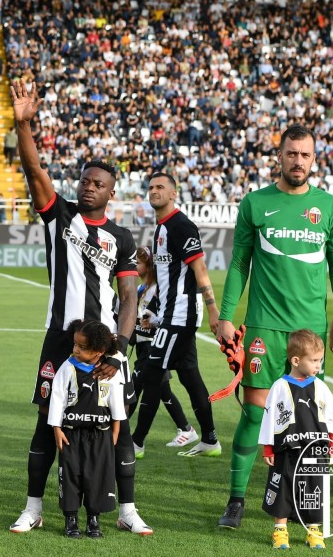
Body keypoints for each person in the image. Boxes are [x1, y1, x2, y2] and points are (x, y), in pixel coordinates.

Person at [9, 80, 151, 536]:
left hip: (108, 343)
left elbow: (129, 297)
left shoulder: (122, 238)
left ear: (112, 193)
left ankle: (126, 509)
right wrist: (22, 124)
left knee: (119, 425)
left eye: (99, 184)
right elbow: (34, 172)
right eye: (86, 181)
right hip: (60, 337)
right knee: (48, 420)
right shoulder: (60, 215)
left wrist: (120, 349)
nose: (89, 188)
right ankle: (33, 507)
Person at [217, 124, 333, 529]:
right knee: (256, 415)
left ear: (314, 158)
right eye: (291, 153)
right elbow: (239, 262)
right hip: (264, 327)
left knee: (308, 423)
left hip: (308, 334)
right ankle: (236, 501)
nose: (298, 161)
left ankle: (302, 500)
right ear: (279, 155)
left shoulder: (327, 207)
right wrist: (226, 314)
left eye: (305, 155)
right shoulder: (256, 204)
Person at [131, 172, 221, 459]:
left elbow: (200, 269)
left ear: (173, 194)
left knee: (151, 373)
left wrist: (212, 309)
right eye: (151, 187)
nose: (154, 191)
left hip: (181, 316)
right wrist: (153, 313)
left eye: (160, 187)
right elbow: (168, 281)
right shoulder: (160, 229)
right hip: (170, 315)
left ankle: (136, 443)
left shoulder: (181, 225)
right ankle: (209, 439)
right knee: (190, 378)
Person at [259, 330, 333, 549]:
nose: (318, 365)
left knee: (314, 488)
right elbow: (270, 418)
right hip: (287, 449)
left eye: (320, 360)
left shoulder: (320, 386)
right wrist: (269, 447)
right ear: (296, 360)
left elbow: (331, 414)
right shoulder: (279, 386)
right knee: (283, 487)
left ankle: (313, 530)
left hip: (315, 450)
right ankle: (280, 530)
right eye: (314, 360)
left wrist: (332, 441)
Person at [49, 319, 126, 539]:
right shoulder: (67, 367)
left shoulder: (109, 371)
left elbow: (116, 401)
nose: (75, 349)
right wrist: (57, 428)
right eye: (75, 345)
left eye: (82, 347)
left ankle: (94, 519)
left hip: (100, 434)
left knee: (97, 477)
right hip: (71, 434)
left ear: (99, 351)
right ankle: (71, 519)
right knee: (71, 476)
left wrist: (115, 429)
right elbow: (58, 397)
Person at [130, 245, 197, 454]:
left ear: (148, 266)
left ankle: (126, 438)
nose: (135, 265)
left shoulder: (156, 289)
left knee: (134, 388)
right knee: (161, 390)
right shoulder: (142, 288)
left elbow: (158, 321)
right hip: (143, 346)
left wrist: (139, 325)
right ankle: (186, 429)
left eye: (138, 262)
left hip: (153, 346)